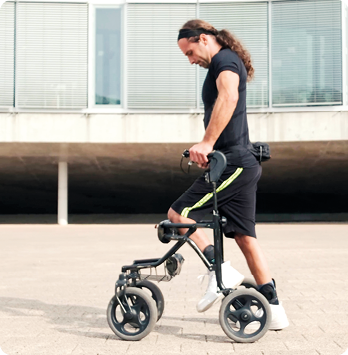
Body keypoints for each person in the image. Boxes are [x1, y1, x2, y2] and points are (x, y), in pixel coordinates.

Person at [167, 19, 289, 330]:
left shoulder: (224, 61)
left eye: (190, 52)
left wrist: (207, 143)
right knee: (246, 238)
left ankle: (219, 269)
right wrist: (212, 152)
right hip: (238, 162)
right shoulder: (224, 62)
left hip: (235, 164)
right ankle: (274, 310)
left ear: (204, 39)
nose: (191, 60)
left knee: (179, 214)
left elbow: (229, 97)